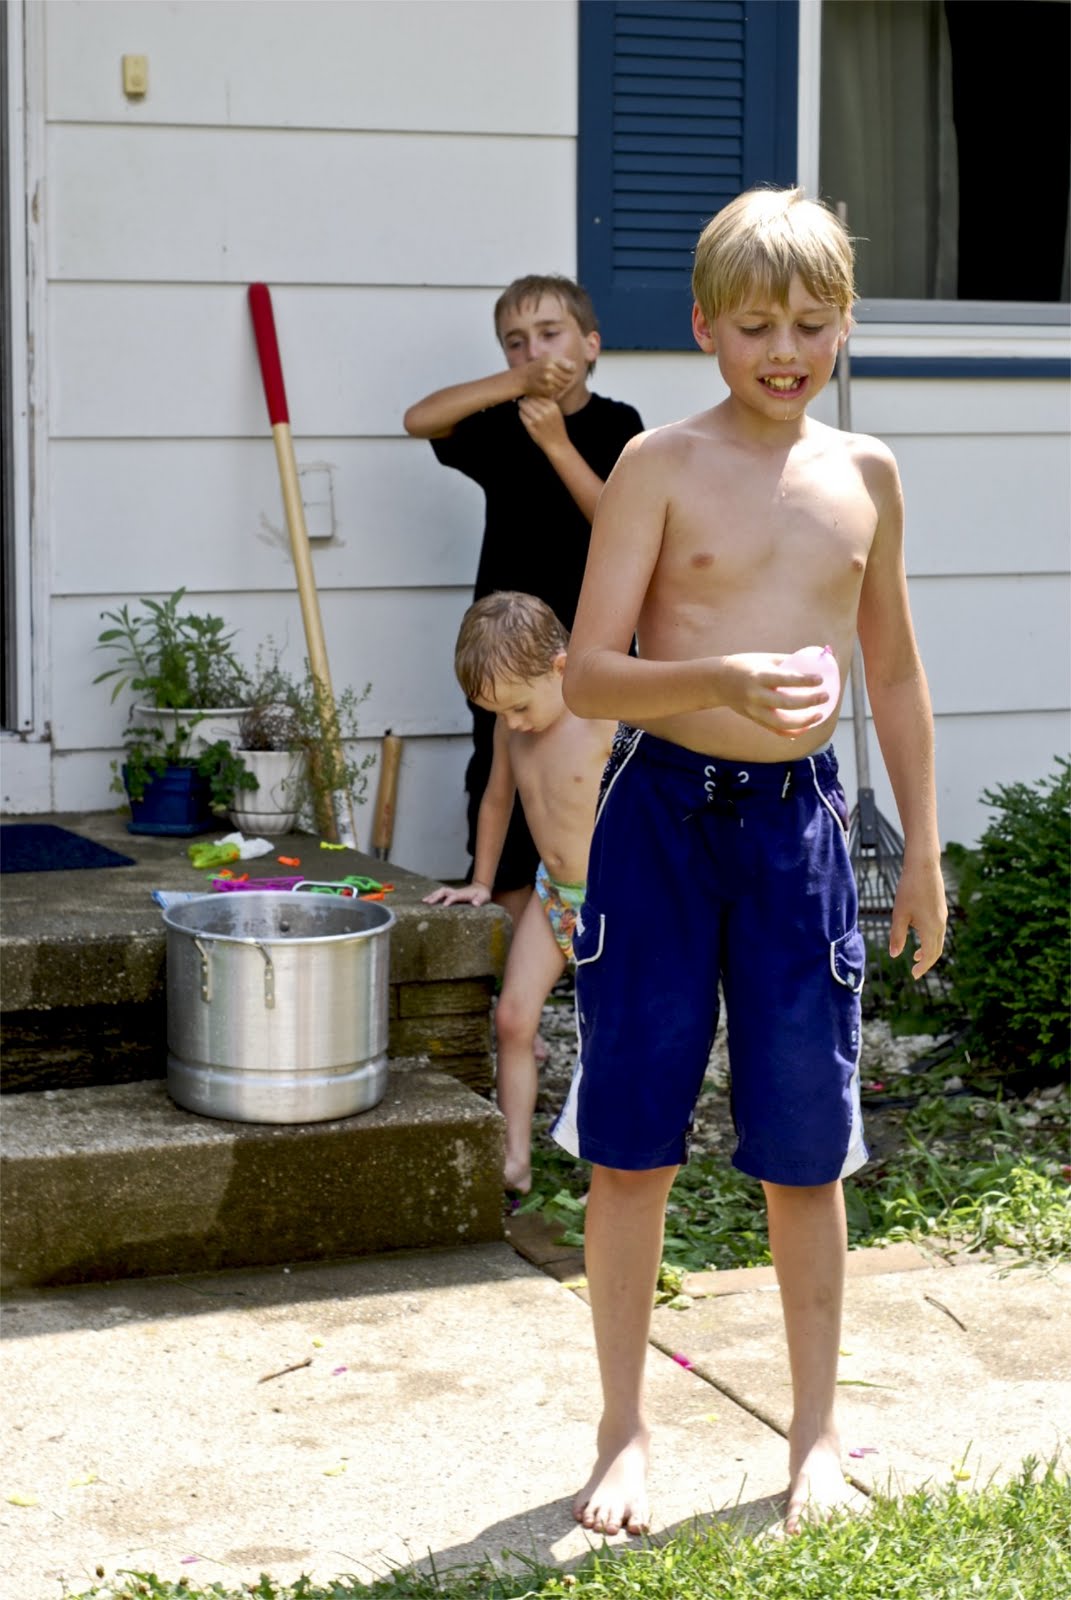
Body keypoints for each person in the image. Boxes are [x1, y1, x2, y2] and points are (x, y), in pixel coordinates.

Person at [553, 187, 947, 1539]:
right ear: (704, 328)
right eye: (758, 325)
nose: (786, 349)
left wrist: (921, 851)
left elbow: (893, 673)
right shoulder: (655, 466)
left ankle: (816, 1431)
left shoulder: (867, 475)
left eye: (812, 322)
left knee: (805, 1147)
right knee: (629, 1145)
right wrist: (717, 676)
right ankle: (622, 1428)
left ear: (844, 324)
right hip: (659, 822)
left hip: (798, 834)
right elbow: (587, 675)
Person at [403, 276, 643, 930]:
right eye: (515, 342)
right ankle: (514, 939)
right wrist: (515, 385)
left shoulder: (618, 425)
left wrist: (556, 444)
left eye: (549, 335)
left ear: (590, 345)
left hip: (590, 644)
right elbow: (419, 419)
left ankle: (601, 930)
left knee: (598, 778)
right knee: (501, 774)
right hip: (506, 650)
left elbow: (617, 524)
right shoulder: (502, 425)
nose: (533, 352)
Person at [422, 591, 615, 1193]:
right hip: (554, 895)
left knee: (616, 1033)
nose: (511, 723)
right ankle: (515, 1159)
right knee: (511, 1018)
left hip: (621, 901)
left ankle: (621, 1164)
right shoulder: (512, 729)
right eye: (496, 712)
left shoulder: (606, 715)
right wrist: (482, 882)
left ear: (562, 667)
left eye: (518, 706)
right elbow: (497, 800)